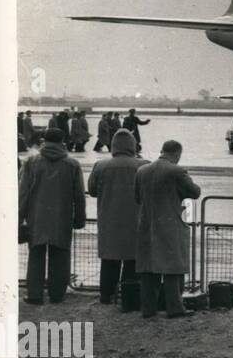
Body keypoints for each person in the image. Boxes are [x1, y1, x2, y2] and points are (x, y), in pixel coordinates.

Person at [18, 127, 86, 304]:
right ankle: (57, 294)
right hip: (62, 217)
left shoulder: (31, 162)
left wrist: (18, 218)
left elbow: (23, 193)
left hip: (37, 217)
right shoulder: (72, 164)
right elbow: (79, 195)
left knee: (36, 256)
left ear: (44, 141)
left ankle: (34, 294)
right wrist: (79, 218)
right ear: (62, 142)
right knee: (60, 256)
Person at [134, 140, 201, 318]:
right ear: (177, 153)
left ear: (162, 150)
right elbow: (194, 192)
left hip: (146, 224)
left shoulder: (142, 170)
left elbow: (137, 197)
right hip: (171, 224)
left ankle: (148, 309)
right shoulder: (176, 171)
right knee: (173, 267)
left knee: (148, 268)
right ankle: (175, 308)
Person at [88, 128, 148, 303]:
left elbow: (92, 190)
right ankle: (129, 296)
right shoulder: (143, 165)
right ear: (133, 145)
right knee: (132, 260)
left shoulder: (100, 165)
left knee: (109, 260)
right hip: (135, 220)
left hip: (109, 220)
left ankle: (106, 296)